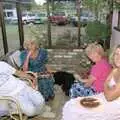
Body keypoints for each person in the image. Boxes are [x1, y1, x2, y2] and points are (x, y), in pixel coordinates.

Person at [62, 45, 120, 120]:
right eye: (117, 54)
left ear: (98, 53)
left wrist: (80, 80)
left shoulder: (97, 66)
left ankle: (79, 107)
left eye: (91, 53)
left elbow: (88, 84)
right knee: (77, 84)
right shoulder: (108, 64)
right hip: (103, 91)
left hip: (97, 91)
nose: (90, 56)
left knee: (74, 87)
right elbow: (102, 81)